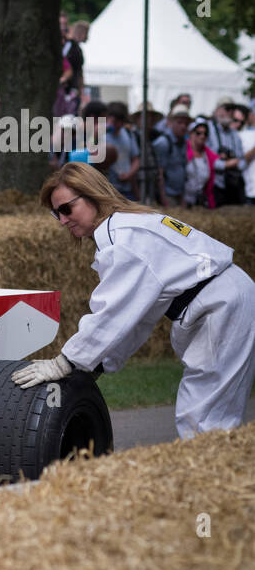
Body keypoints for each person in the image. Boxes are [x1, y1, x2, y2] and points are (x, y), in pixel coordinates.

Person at [14, 162, 255, 439]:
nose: (63, 220)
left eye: (67, 209)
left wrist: (66, 362)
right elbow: (137, 317)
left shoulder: (124, 239)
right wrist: (98, 363)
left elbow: (113, 313)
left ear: (92, 195)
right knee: (209, 415)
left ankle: (207, 479)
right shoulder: (126, 227)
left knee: (204, 420)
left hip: (221, 305)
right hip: (225, 298)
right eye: (57, 214)